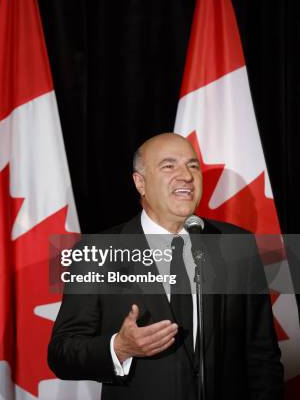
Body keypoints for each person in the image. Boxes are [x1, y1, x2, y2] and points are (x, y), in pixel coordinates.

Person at [48, 133, 283, 399]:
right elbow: (61, 352)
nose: (185, 175)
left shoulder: (238, 245)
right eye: (169, 166)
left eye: (193, 166)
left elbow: (262, 354)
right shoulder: (96, 252)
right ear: (140, 183)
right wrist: (120, 348)